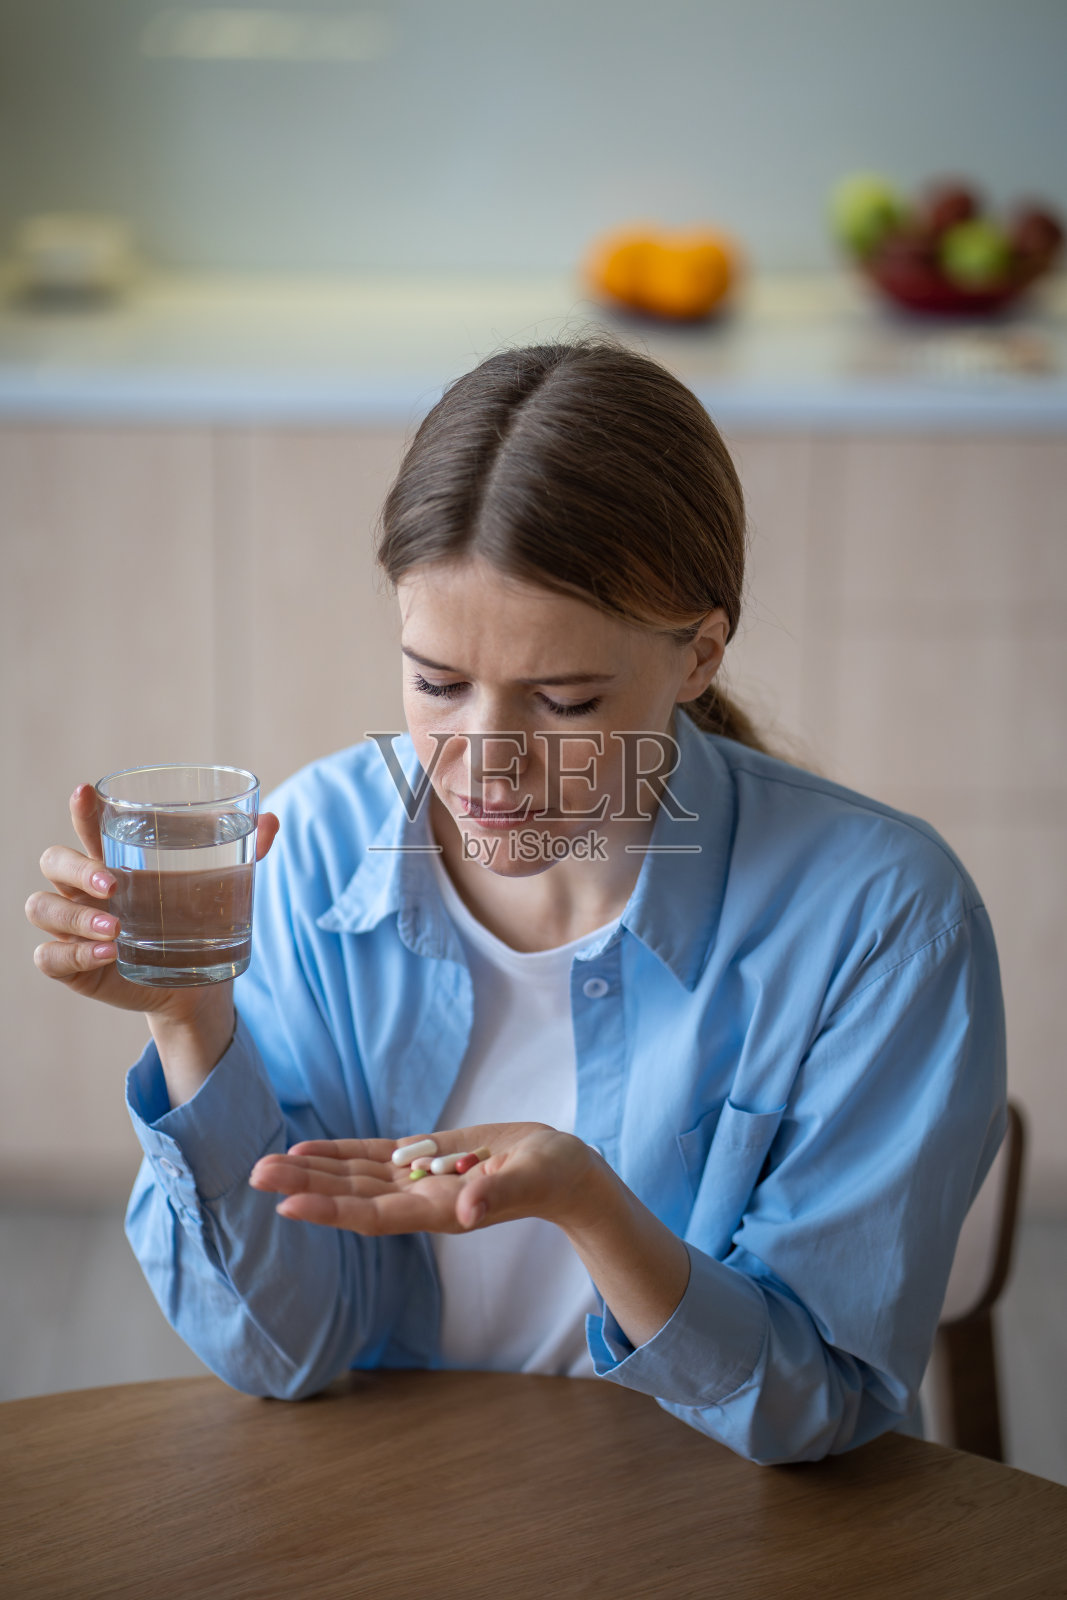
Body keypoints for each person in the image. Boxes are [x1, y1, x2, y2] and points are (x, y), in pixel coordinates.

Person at [26, 337, 1007, 1465]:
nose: (486, 762)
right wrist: (187, 1016)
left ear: (697, 655)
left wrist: (588, 1203)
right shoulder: (313, 851)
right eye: (437, 685)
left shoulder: (880, 922)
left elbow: (810, 1406)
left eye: (564, 699)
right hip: (409, 1518)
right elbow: (282, 1353)